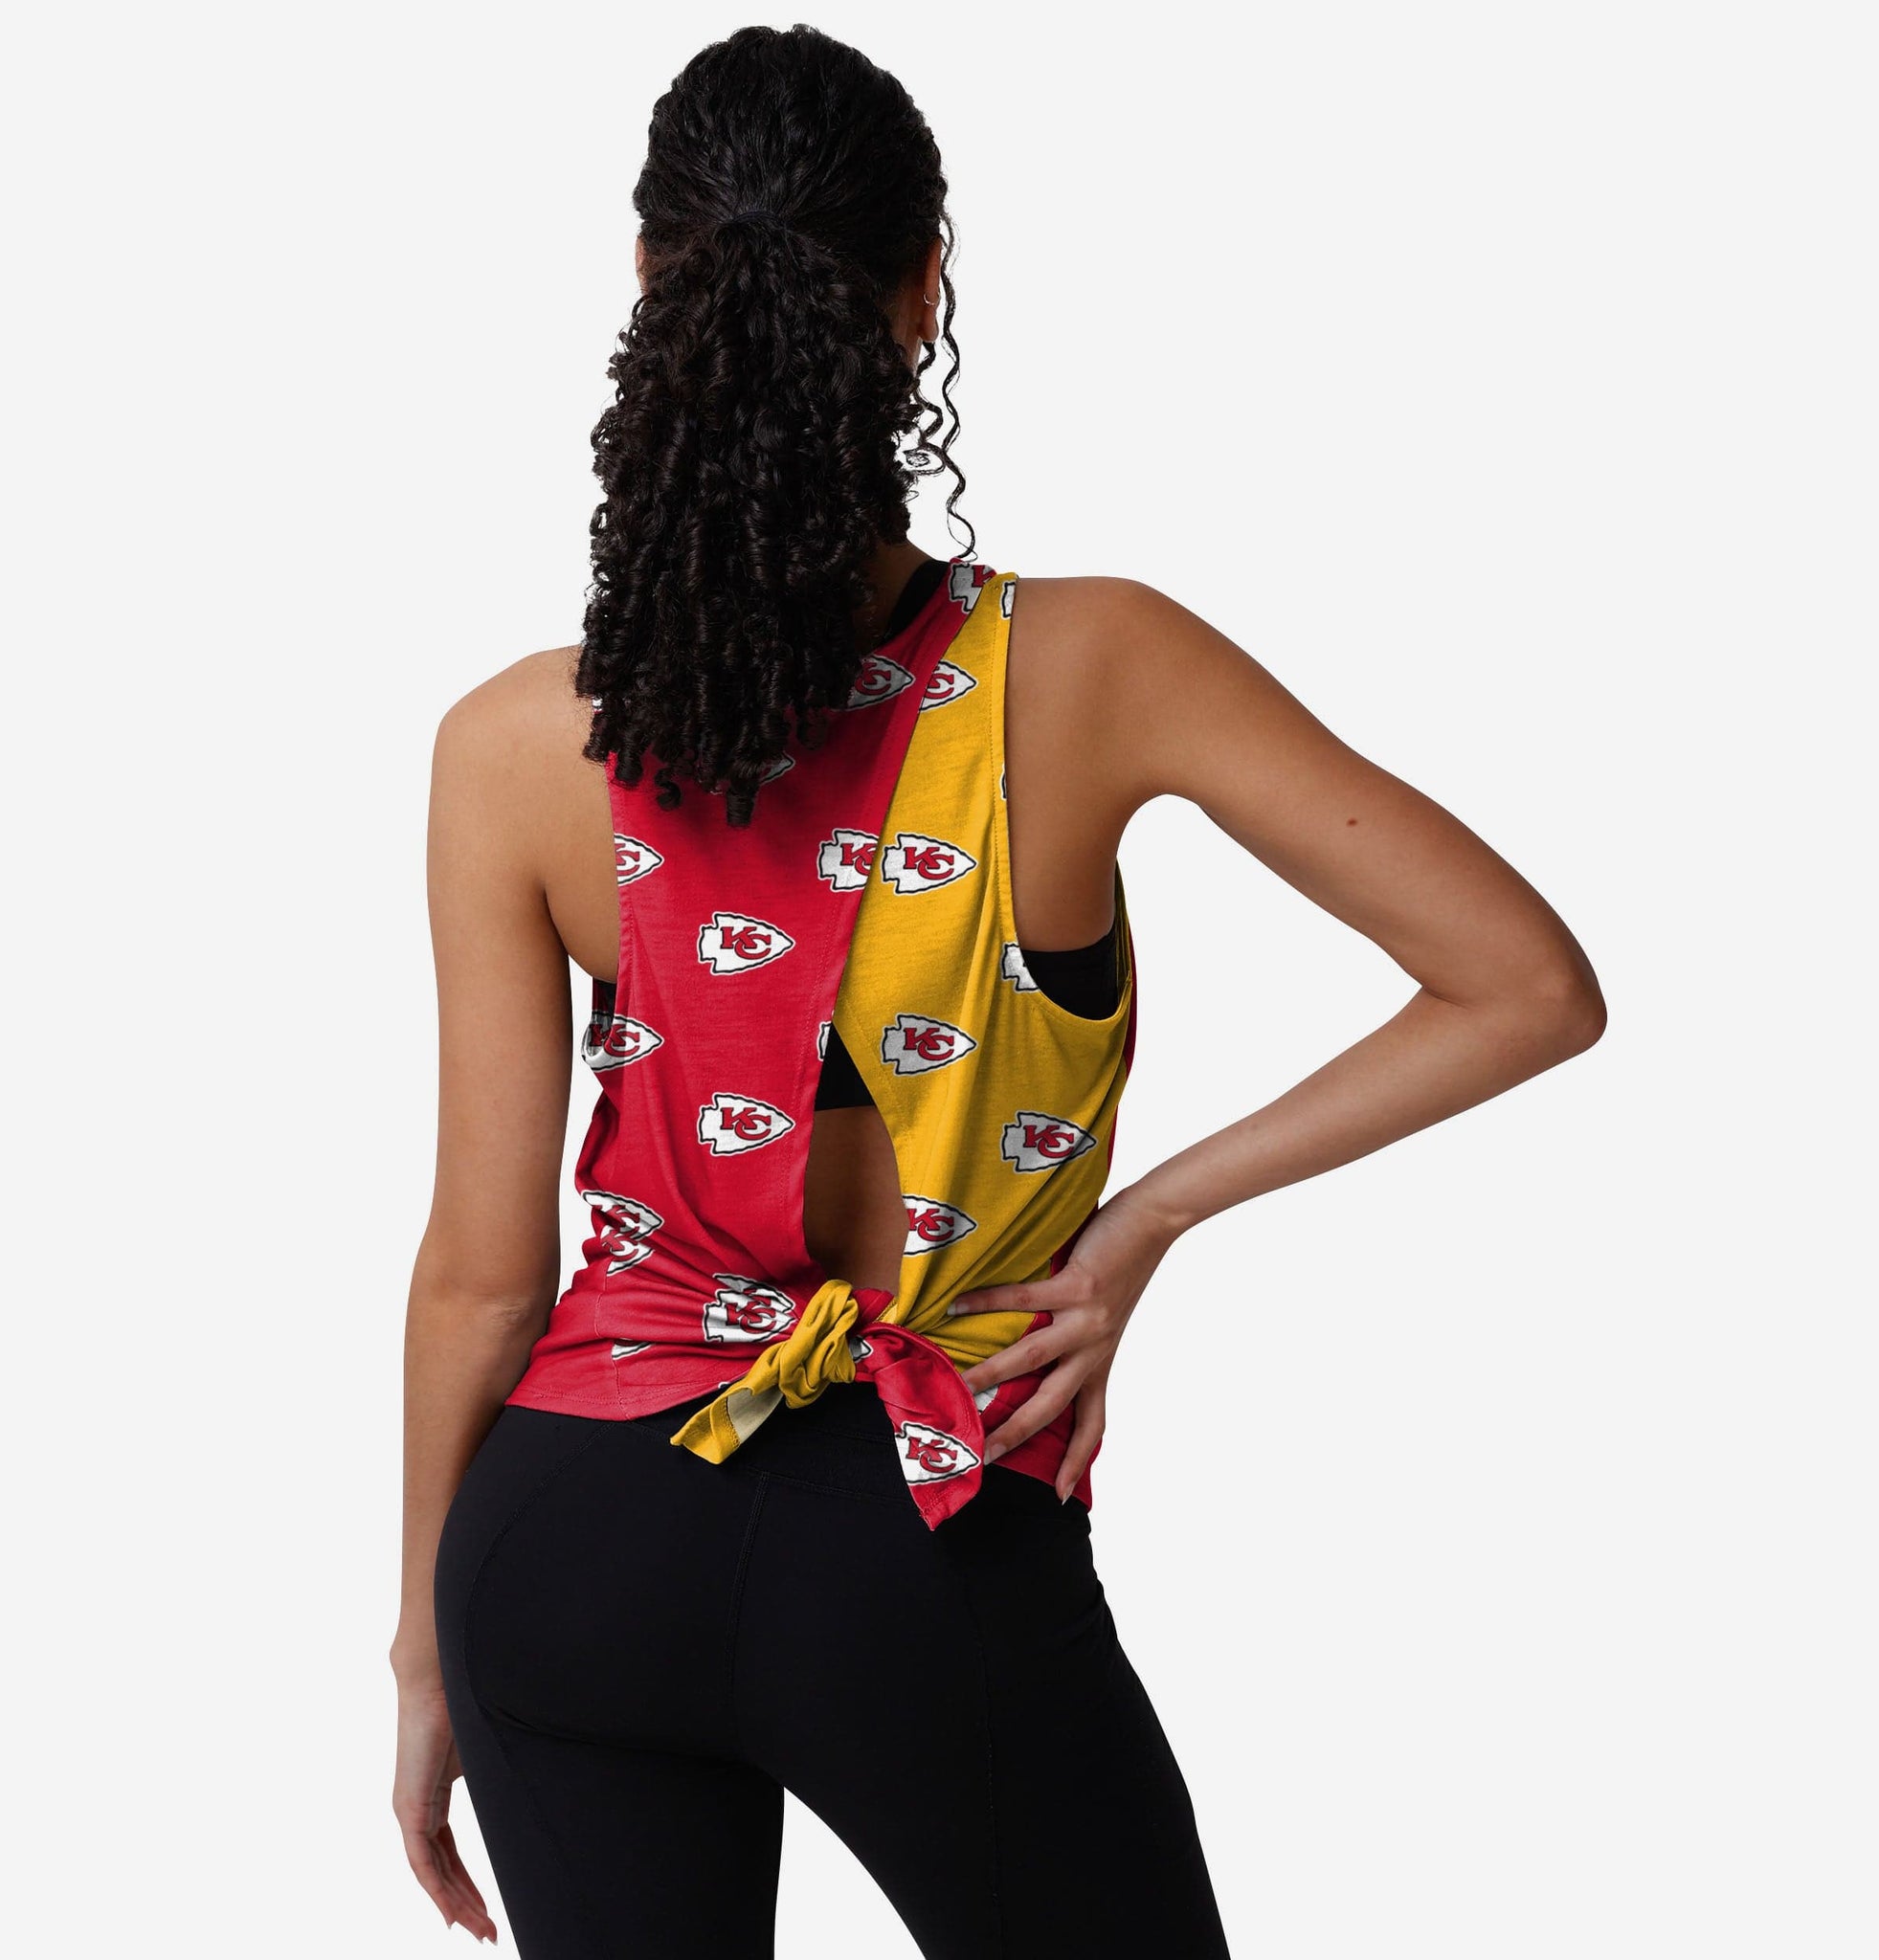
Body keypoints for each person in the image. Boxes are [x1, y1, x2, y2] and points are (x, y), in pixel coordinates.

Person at [389, 24, 1605, 1958]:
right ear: (924, 290)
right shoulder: (1095, 668)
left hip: (569, 1532)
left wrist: (425, 1650)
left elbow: (480, 1275)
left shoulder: (513, 743)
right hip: (921, 1529)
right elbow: (1524, 984)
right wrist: (1142, 1225)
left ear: (648, 285)